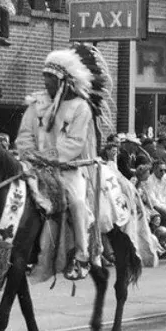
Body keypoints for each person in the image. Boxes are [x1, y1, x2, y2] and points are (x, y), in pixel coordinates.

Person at [15, 44, 114, 281]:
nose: (45, 82)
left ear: (64, 81)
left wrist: (47, 158)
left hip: (68, 170)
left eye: (50, 78)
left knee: (77, 202)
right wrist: (30, 155)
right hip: (34, 167)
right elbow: (25, 134)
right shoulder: (36, 104)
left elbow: (75, 143)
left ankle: (82, 255)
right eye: (44, 77)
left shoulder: (81, 107)